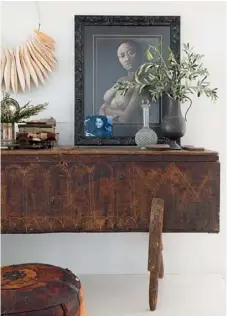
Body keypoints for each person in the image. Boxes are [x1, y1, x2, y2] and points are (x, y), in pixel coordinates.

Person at [99, 40, 143, 123]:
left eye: (131, 53)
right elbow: (106, 99)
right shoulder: (121, 80)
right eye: (122, 56)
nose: (127, 59)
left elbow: (125, 118)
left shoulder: (142, 83)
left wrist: (107, 110)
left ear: (140, 54)